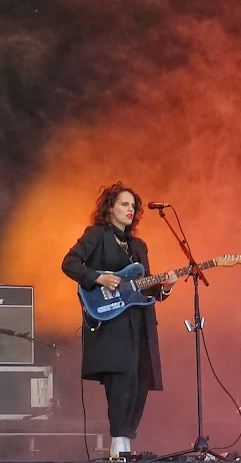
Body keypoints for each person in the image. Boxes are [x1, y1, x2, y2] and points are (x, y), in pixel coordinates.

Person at [62, 182, 177, 457]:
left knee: (141, 380)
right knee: (122, 380)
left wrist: (167, 286)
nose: (130, 210)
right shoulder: (97, 235)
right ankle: (118, 441)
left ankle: (126, 439)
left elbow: (145, 289)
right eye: (124, 204)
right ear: (110, 208)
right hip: (112, 322)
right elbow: (69, 263)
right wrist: (98, 277)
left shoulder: (139, 246)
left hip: (140, 323)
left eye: (133, 206)